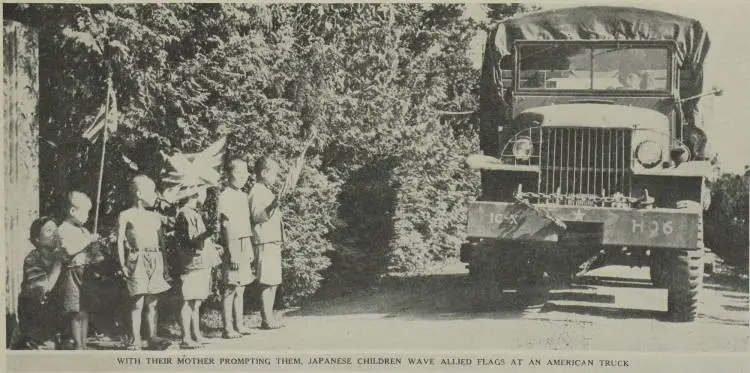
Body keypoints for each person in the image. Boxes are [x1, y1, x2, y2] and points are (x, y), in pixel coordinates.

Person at [117, 175, 172, 350]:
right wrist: (122, 264)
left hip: (155, 259)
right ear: (140, 193)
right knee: (137, 300)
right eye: (152, 191)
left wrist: (165, 266)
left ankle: (152, 336)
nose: (156, 195)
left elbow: (162, 243)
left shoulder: (155, 217)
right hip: (137, 259)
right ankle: (136, 339)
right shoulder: (125, 215)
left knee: (153, 301)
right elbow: (119, 241)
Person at [173, 187, 222, 349]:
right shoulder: (185, 213)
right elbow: (192, 241)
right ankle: (186, 337)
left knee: (196, 302)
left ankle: (196, 334)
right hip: (192, 264)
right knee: (189, 301)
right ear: (193, 195)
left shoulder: (192, 213)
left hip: (200, 263)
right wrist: (208, 233)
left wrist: (212, 244)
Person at [57, 192, 101, 350]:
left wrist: (95, 246)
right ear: (72, 211)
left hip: (85, 273)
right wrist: (89, 240)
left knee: (85, 310)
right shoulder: (63, 229)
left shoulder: (84, 231)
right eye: (86, 212)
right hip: (72, 274)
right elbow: (69, 250)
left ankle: (84, 343)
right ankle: (77, 344)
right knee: (75, 310)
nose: (89, 216)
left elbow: (92, 253)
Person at [16, 216, 67, 349]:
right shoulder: (32, 259)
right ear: (37, 239)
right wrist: (59, 262)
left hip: (58, 322)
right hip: (36, 324)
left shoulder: (61, 256)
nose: (55, 233)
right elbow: (44, 288)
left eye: (56, 230)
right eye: (49, 230)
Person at [217, 158, 255, 338]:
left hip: (244, 242)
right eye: (237, 172)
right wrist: (232, 252)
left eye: (245, 172)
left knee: (241, 287)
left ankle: (239, 324)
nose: (242, 176)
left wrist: (248, 247)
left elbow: (245, 224)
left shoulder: (243, 196)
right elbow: (227, 225)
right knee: (230, 287)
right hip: (233, 244)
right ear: (227, 174)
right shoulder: (226, 195)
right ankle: (228, 328)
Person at [248, 156, 285, 330]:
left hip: (272, 240)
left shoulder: (266, 190)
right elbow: (257, 216)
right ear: (263, 173)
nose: (276, 178)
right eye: (274, 174)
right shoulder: (256, 191)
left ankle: (268, 317)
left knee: (273, 281)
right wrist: (272, 206)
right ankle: (266, 318)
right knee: (266, 281)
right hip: (264, 240)